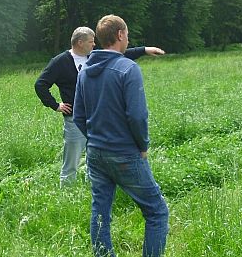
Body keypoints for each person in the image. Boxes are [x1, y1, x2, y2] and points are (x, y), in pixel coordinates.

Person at [73, 15, 169, 257]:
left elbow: (79, 116)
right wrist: (143, 145)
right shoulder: (128, 69)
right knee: (157, 212)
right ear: (119, 36)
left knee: (100, 211)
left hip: (96, 153)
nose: (128, 39)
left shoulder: (84, 73)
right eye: (126, 34)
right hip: (125, 153)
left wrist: (94, 139)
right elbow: (137, 115)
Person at [34, 26, 164, 185]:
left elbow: (120, 54)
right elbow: (40, 85)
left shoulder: (93, 57)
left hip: (96, 118)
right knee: (72, 159)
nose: (94, 44)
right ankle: (67, 189)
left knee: (94, 157)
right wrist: (55, 105)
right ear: (80, 42)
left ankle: (93, 186)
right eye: (91, 41)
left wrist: (144, 50)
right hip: (74, 120)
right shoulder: (60, 62)